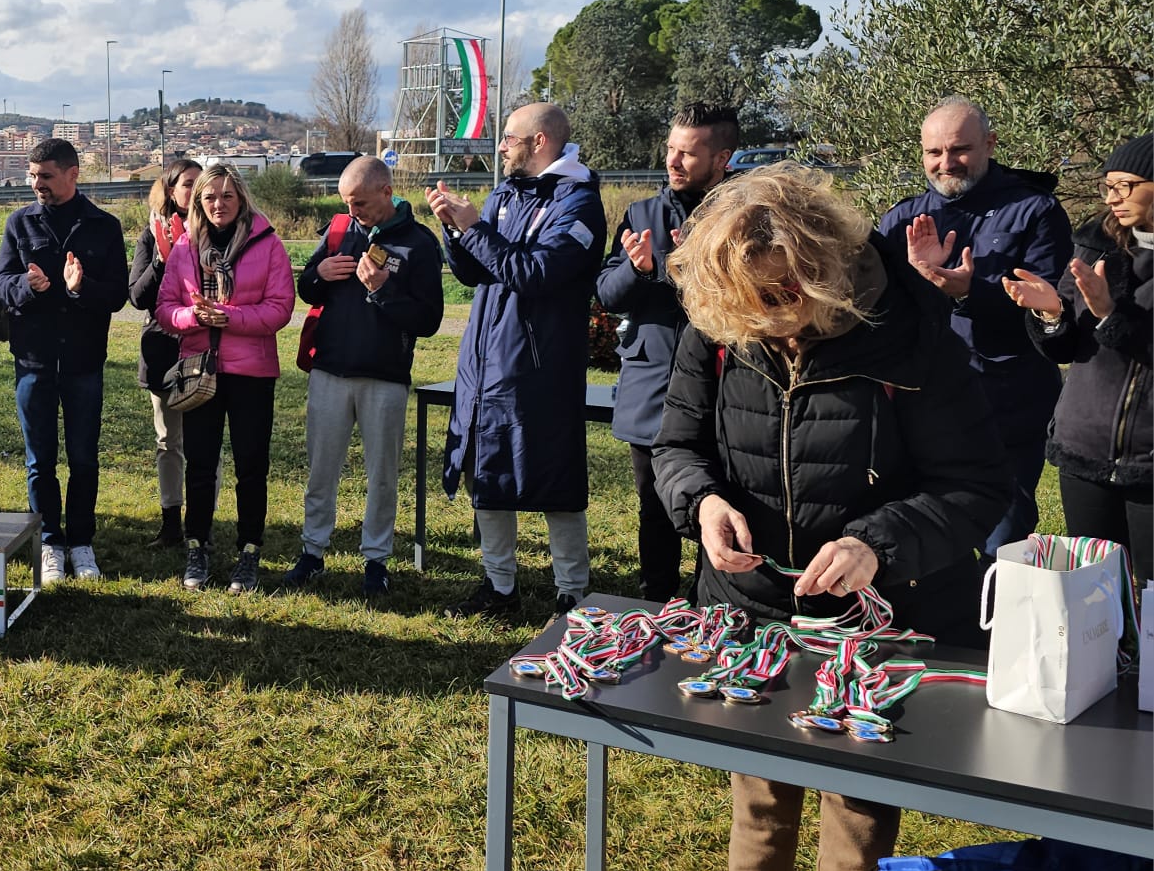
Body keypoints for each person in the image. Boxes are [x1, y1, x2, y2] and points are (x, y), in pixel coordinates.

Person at [652, 164, 1009, 871]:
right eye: (747, 297)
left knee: (855, 809)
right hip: (752, 612)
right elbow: (676, 444)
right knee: (758, 800)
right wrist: (702, 501)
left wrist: (876, 544)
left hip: (878, 618)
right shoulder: (721, 321)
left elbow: (975, 484)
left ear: (824, 266)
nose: (767, 311)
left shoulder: (911, 336)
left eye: (783, 291)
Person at [427, 102, 607, 618]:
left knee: (555, 480)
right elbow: (476, 273)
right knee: (489, 474)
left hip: (540, 369)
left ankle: (572, 594)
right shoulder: (506, 192)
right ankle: (499, 586)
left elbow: (534, 273)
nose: (500, 145)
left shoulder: (578, 203)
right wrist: (455, 229)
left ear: (540, 141)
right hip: (486, 363)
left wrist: (475, 229)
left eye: (508, 137)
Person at [877, 96, 1071, 554]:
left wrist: (968, 293)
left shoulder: (1036, 212)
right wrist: (912, 282)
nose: (946, 163)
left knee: (1000, 535)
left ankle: (999, 621)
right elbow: (872, 311)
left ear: (990, 143)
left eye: (960, 149)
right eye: (933, 153)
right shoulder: (901, 218)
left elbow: (1050, 312)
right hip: (920, 402)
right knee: (920, 528)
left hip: (1007, 401)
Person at [283, 156, 444, 597]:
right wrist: (318, 273)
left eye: (360, 203)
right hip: (329, 370)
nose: (354, 212)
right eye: (347, 203)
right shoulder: (340, 230)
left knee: (383, 474)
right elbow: (307, 289)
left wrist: (382, 290)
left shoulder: (419, 243)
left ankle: (376, 560)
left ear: (386, 192)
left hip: (385, 376)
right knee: (321, 469)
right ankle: (312, 552)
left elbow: (429, 319)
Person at [594, 103, 736, 602]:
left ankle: (712, 604)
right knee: (654, 507)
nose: (673, 162)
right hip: (651, 386)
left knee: (719, 502)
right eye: (671, 149)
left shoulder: (744, 215)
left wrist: (694, 271)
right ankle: (656, 600)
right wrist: (639, 268)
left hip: (727, 388)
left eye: (688, 154)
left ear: (722, 158)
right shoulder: (640, 214)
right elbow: (607, 293)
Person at [1003, 133, 1152, 584]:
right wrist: (1049, 311)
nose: (1112, 198)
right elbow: (1065, 346)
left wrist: (1110, 314)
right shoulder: (1095, 243)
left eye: (1125, 185)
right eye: (1107, 185)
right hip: (1082, 450)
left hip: (1150, 461)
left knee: (1149, 593)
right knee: (1095, 592)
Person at [155, 164, 294, 594]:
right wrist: (191, 316)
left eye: (227, 196)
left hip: (252, 371)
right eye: (210, 197)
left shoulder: (268, 244)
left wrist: (228, 317)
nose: (218, 204)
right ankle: (197, 547)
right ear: (198, 202)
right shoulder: (184, 246)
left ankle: (249, 551)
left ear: (242, 199)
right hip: (200, 371)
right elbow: (165, 308)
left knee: (251, 467)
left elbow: (280, 308)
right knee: (200, 465)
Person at [0, 139, 127, 581]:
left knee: (84, 457)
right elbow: (1, 284)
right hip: (32, 362)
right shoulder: (19, 223)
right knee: (40, 460)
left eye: (45, 176)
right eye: (32, 176)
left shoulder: (103, 226)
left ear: (73, 174)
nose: (37, 185)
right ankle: (50, 541)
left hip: (83, 361)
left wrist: (77, 288)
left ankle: (82, 542)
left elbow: (116, 295)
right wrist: (26, 287)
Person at [128, 158, 202, 548]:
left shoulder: (221, 232)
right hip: (162, 350)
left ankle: (200, 524)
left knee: (203, 443)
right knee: (168, 441)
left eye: (199, 182)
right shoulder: (150, 234)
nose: (194, 190)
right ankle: (171, 521)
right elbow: (138, 296)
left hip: (206, 349)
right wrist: (162, 256)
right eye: (186, 184)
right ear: (171, 191)